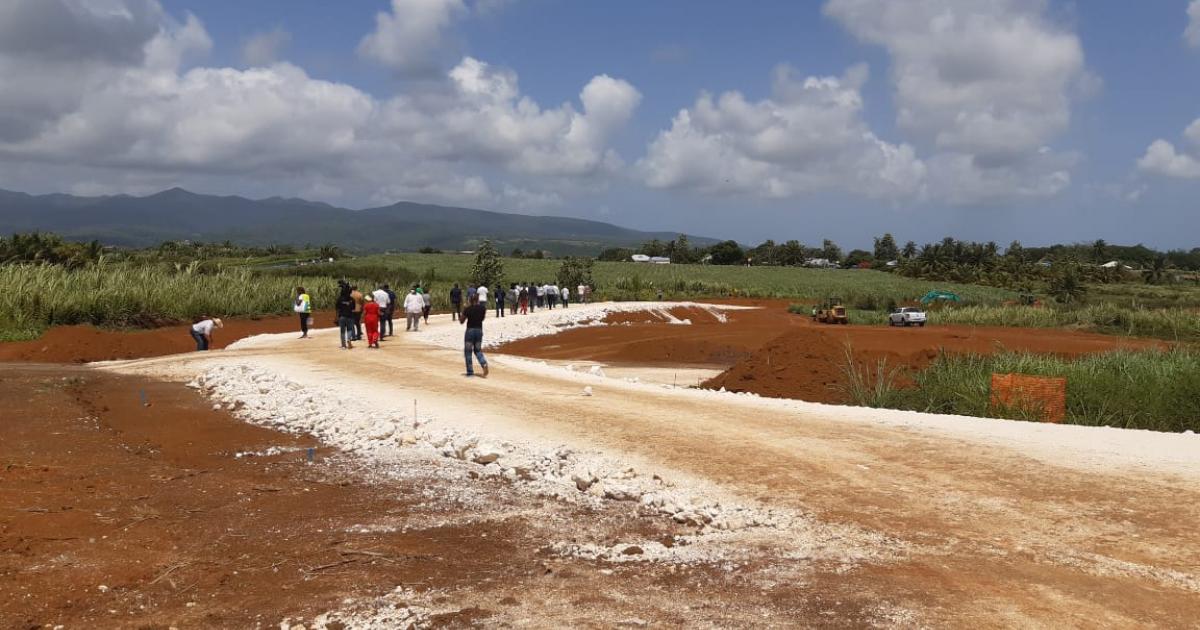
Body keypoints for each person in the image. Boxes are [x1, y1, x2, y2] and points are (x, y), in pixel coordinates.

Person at [460, 296, 489, 377]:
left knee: (468, 352)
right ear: (478, 300)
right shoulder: (483, 308)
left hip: (470, 331)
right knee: (478, 350)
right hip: (479, 330)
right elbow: (482, 319)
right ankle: (484, 363)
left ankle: (470, 372)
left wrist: (464, 310)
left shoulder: (468, 309)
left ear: (470, 300)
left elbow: (461, 321)